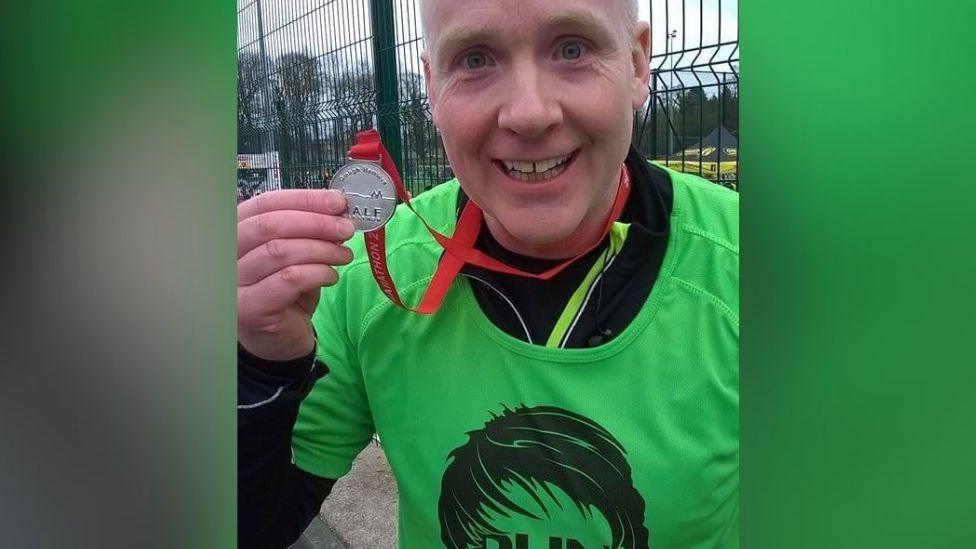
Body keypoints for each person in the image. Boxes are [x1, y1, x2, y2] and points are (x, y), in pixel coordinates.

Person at [237, 0, 738, 547]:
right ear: (432, 86)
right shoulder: (364, 282)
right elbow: (257, 525)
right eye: (475, 60)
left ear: (638, 64)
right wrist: (257, 366)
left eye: (572, 48)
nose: (528, 113)